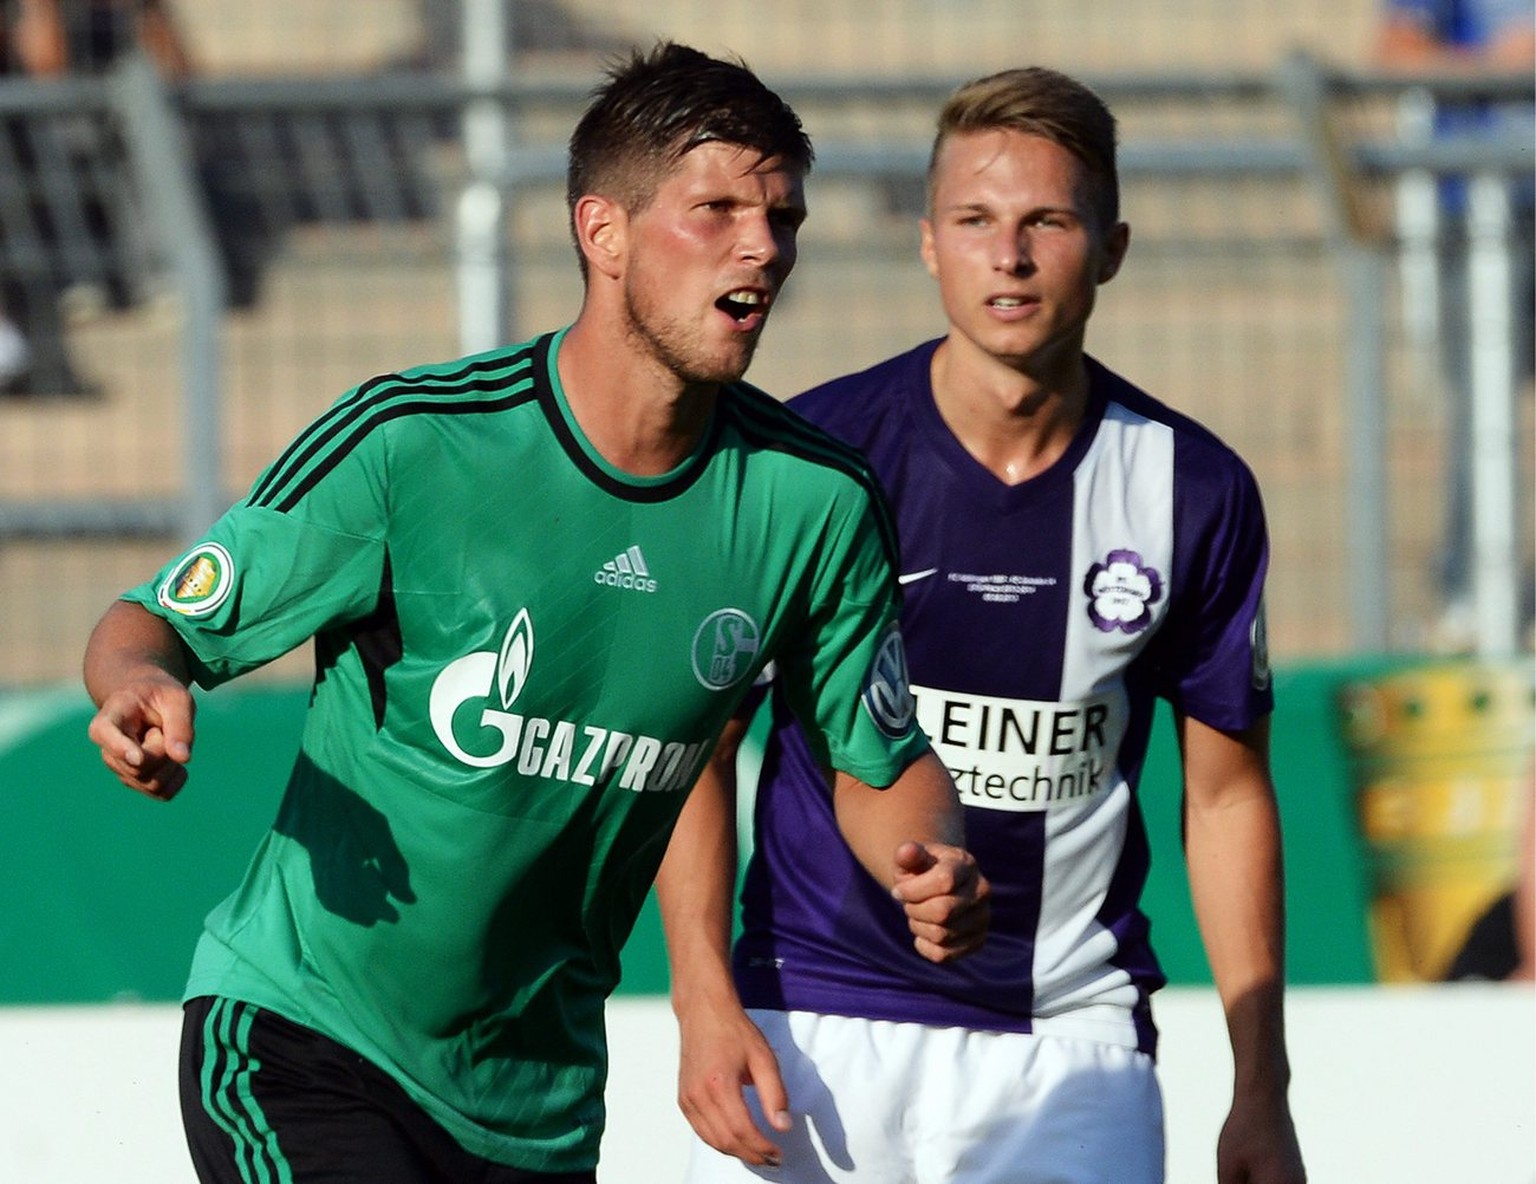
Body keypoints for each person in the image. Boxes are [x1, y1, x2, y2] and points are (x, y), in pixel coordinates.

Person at [82, 42, 988, 1184]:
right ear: (601, 232)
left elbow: (880, 757)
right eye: (715, 210)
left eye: (783, 218)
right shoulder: (416, 441)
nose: (763, 246)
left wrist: (930, 855)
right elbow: (146, 621)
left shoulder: (816, 501)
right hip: (305, 1036)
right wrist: (136, 685)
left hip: (536, 1101)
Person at [658, 66, 1307, 1183]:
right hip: (815, 1016)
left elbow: (1227, 792)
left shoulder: (1191, 487)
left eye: (1046, 221)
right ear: (928, 243)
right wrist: (703, 999)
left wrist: (1263, 1087)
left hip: (1070, 1037)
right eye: (975, 221)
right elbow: (696, 746)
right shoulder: (813, 458)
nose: (1007, 257)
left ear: (1110, 245)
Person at [1375, 0, 1535, 648]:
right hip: (1484, 216)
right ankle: (1470, 595)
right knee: (1483, 413)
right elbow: (1396, 50)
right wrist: (1499, 67)